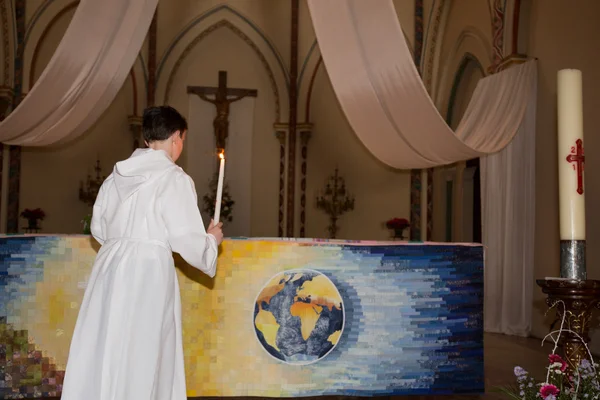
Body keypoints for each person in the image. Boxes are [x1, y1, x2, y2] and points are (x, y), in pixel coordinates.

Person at [60, 106, 223, 400]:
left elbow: (99, 228)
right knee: (144, 348)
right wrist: (210, 241)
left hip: (110, 266)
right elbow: (185, 238)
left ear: (147, 139)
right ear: (176, 138)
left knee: (107, 342)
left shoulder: (115, 176)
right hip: (148, 269)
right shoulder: (174, 178)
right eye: (182, 139)